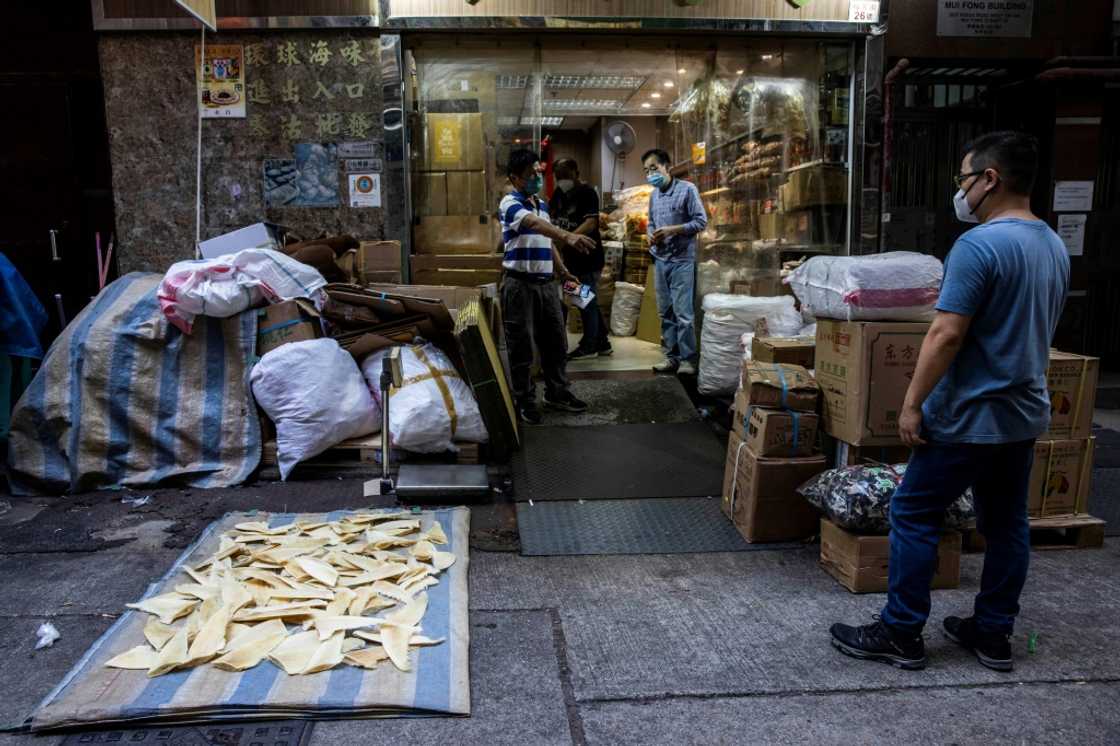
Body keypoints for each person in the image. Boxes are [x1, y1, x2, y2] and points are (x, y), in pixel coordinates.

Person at [830, 131, 1069, 672]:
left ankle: (900, 631)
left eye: (964, 179)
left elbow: (946, 333)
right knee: (1006, 523)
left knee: (913, 510)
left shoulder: (979, 245)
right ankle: (993, 631)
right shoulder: (1051, 244)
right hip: (1022, 413)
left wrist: (912, 403)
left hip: (969, 414)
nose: (960, 191)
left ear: (990, 179)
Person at [499, 148, 594, 425]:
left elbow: (547, 240)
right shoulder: (509, 203)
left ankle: (557, 392)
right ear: (514, 178)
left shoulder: (541, 204)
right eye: (530, 175)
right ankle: (524, 400)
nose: (536, 178)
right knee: (522, 347)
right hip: (519, 285)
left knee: (556, 342)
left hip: (547, 284)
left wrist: (564, 272)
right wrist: (568, 235)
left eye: (538, 173)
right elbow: (534, 225)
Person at [642, 148, 708, 376]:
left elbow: (701, 222)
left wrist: (673, 230)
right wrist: (650, 235)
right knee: (665, 313)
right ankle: (672, 357)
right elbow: (651, 222)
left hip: (682, 260)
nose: (650, 174)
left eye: (654, 168)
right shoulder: (654, 196)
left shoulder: (687, 190)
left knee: (684, 314)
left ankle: (688, 360)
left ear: (667, 167)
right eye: (646, 171)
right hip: (661, 260)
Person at [551, 158, 612, 359]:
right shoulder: (558, 195)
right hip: (570, 261)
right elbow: (551, 219)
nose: (562, 180)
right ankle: (602, 342)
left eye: (565, 175)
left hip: (588, 258)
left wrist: (567, 238)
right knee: (584, 300)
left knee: (586, 301)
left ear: (576, 173)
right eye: (558, 176)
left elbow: (591, 223)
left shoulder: (587, 193)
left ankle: (589, 345)